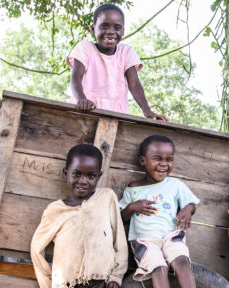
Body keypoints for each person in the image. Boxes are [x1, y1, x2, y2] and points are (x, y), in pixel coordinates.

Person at [30, 144, 127, 288]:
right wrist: (48, 284)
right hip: (69, 283)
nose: (83, 181)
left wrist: (116, 276)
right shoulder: (55, 210)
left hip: (102, 281)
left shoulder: (106, 197)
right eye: (76, 174)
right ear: (66, 173)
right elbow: (36, 249)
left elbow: (120, 241)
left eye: (91, 176)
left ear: (98, 176)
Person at [119, 135, 199, 287]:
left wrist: (188, 210)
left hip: (171, 236)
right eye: (158, 158)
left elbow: (191, 203)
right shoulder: (133, 188)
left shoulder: (175, 185)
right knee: (159, 268)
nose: (164, 164)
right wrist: (132, 207)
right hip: (145, 241)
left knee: (182, 261)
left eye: (169, 160)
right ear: (143, 161)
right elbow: (121, 218)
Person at [67, 4, 167, 121]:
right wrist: (81, 98)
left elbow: (134, 84)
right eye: (104, 26)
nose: (110, 31)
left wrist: (147, 111)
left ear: (123, 31)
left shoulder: (126, 52)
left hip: (116, 115)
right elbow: (76, 77)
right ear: (94, 29)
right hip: (86, 111)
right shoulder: (85, 48)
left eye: (117, 27)